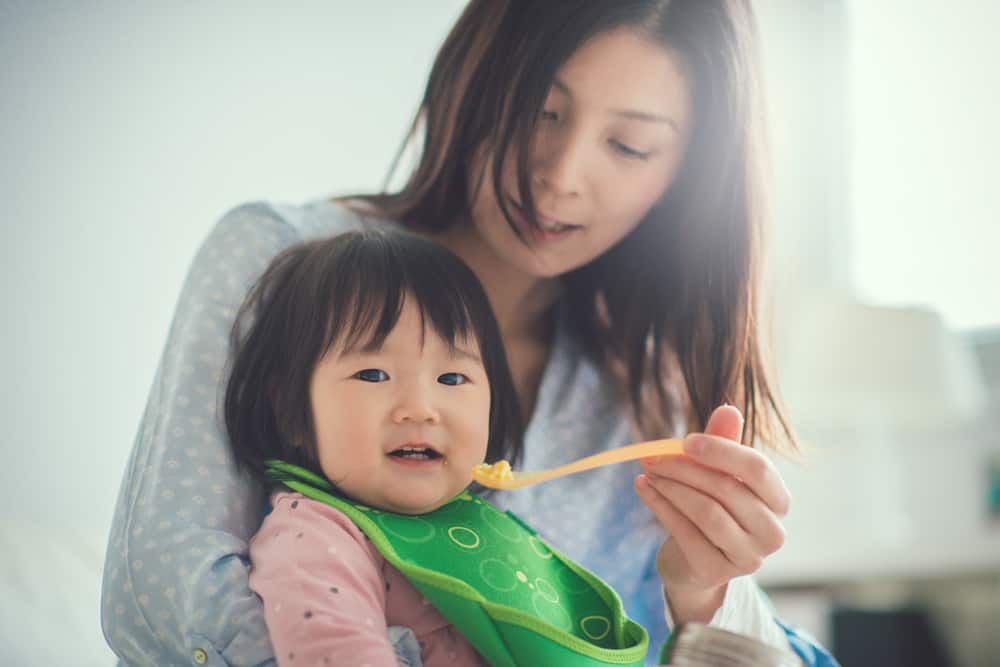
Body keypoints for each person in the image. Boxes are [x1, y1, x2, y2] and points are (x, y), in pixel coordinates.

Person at [101, 1, 840, 665]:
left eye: (630, 147)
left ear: (684, 178)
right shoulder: (277, 259)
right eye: (542, 111)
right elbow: (158, 593)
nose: (559, 175)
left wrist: (708, 596)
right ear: (474, 77)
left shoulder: (640, 394)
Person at [225, 229, 646, 666]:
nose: (421, 409)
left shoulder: (482, 528)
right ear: (292, 411)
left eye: (451, 379)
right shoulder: (315, 537)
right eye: (372, 374)